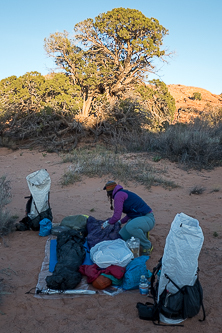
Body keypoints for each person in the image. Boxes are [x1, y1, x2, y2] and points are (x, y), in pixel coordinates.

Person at [102, 181, 155, 255]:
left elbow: (117, 216)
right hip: (137, 218)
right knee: (122, 235)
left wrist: (107, 223)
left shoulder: (119, 195)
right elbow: (131, 213)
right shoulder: (120, 193)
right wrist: (121, 222)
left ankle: (147, 246)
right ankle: (142, 233)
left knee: (131, 227)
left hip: (147, 218)